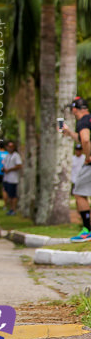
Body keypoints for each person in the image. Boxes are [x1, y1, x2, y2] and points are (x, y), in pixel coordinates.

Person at [61, 97, 91, 242]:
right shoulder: (89, 120)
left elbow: (85, 140)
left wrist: (87, 156)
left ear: (74, 109)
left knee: (79, 193)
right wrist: (68, 132)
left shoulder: (83, 121)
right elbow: (82, 138)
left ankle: (87, 230)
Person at [1, 142, 22, 216]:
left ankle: (14, 209)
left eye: (12, 146)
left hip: (13, 179)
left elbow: (19, 165)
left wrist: (9, 170)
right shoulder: (7, 155)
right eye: (9, 146)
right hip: (6, 178)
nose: (10, 148)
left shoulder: (16, 156)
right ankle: (10, 209)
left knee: (13, 195)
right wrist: (4, 169)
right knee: (9, 194)